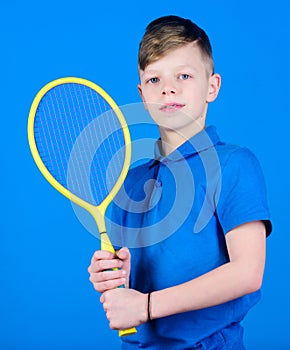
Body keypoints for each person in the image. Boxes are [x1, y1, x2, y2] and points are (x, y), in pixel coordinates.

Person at [88, 15, 272, 349]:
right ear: (142, 95)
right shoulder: (129, 185)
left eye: (183, 75)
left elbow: (247, 272)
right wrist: (114, 278)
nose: (168, 88)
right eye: (154, 79)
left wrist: (145, 306)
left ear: (212, 87)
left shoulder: (234, 164)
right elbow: (130, 285)